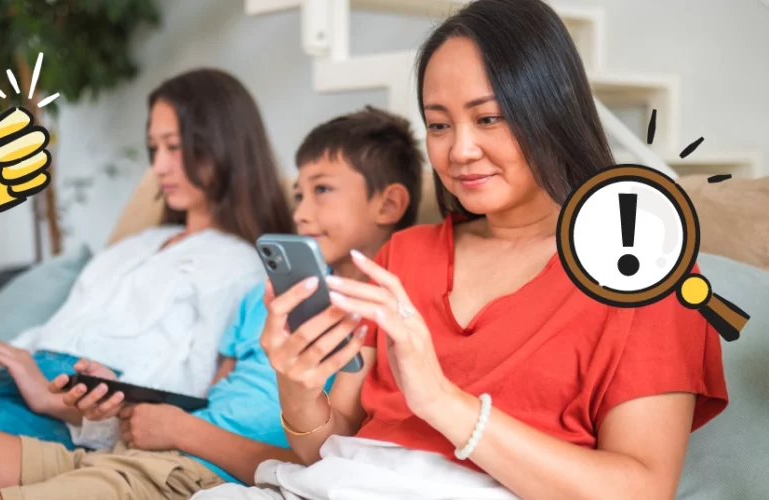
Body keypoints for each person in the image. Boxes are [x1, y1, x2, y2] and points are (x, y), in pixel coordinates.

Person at [194, 1, 730, 499]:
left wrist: (443, 403)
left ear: (551, 110)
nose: (460, 151)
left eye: (488, 117)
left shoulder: (641, 273)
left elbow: (641, 489)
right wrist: (297, 385)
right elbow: (323, 452)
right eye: (439, 125)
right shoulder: (404, 256)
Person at [0, 105, 425, 500]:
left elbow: (320, 466)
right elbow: (207, 397)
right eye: (298, 192)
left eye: (321, 190)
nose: (300, 210)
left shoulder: (374, 322)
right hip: (119, 445)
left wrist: (177, 430)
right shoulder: (266, 298)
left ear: (391, 203)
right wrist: (118, 407)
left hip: (185, 471)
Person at [0, 67, 294, 452]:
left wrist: (58, 398)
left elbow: (182, 397)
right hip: (13, 383)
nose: (160, 167)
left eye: (174, 147)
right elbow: (66, 324)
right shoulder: (137, 244)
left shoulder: (241, 267)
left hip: (69, 412)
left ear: (223, 145)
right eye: (153, 148)